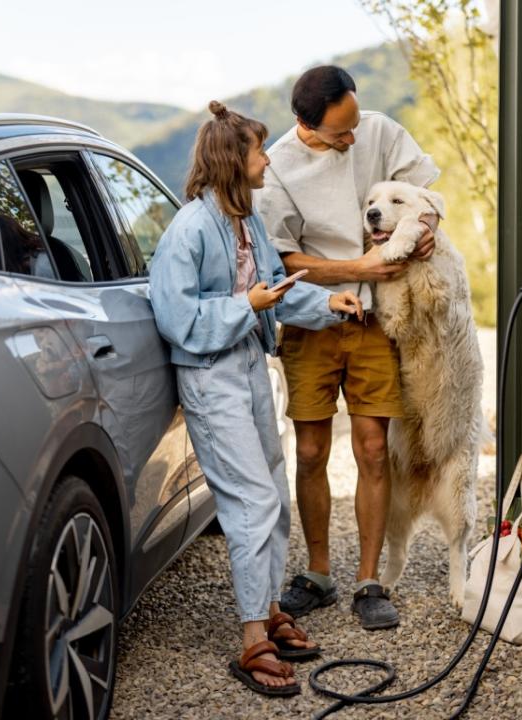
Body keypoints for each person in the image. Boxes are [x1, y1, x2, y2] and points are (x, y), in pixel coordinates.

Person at [149, 101, 363, 696]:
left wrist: (327, 305)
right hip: (209, 375)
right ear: (232, 162)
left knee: (272, 489)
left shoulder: (245, 223)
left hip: (245, 366)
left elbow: (275, 291)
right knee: (249, 502)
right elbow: (174, 315)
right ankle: (251, 642)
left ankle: (267, 606)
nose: (267, 159)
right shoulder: (189, 229)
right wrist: (246, 307)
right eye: (258, 151)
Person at [254, 65, 440, 630]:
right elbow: (284, 261)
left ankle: (369, 581)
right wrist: (359, 266)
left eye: (355, 123)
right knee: (310, 452)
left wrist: (426, 225)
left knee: (373, 448)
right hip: (310, 320)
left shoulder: (378, 130)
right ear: (305, 125)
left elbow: (427, 195)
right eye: (340, 133)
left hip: (375, 318)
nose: (353, 138)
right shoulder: (278, 166)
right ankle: (317, 573)